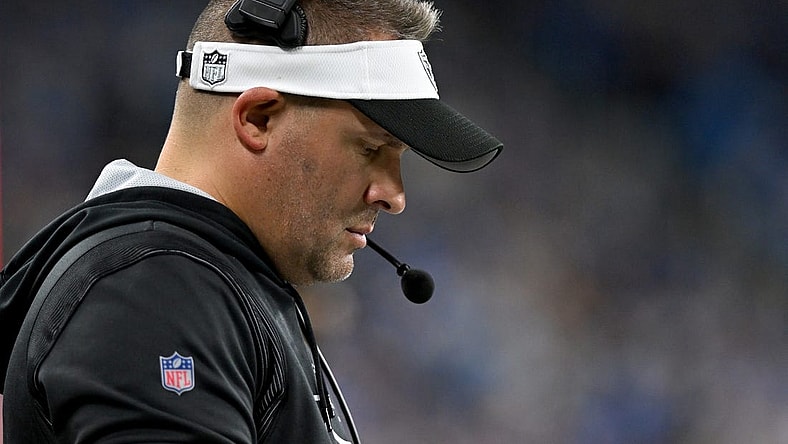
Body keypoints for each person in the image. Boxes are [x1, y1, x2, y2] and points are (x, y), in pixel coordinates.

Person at [0, 0, 502, 442]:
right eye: (371, 148)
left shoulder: (202, 282)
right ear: (258, 117)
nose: (394, 196)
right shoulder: (156, 291)